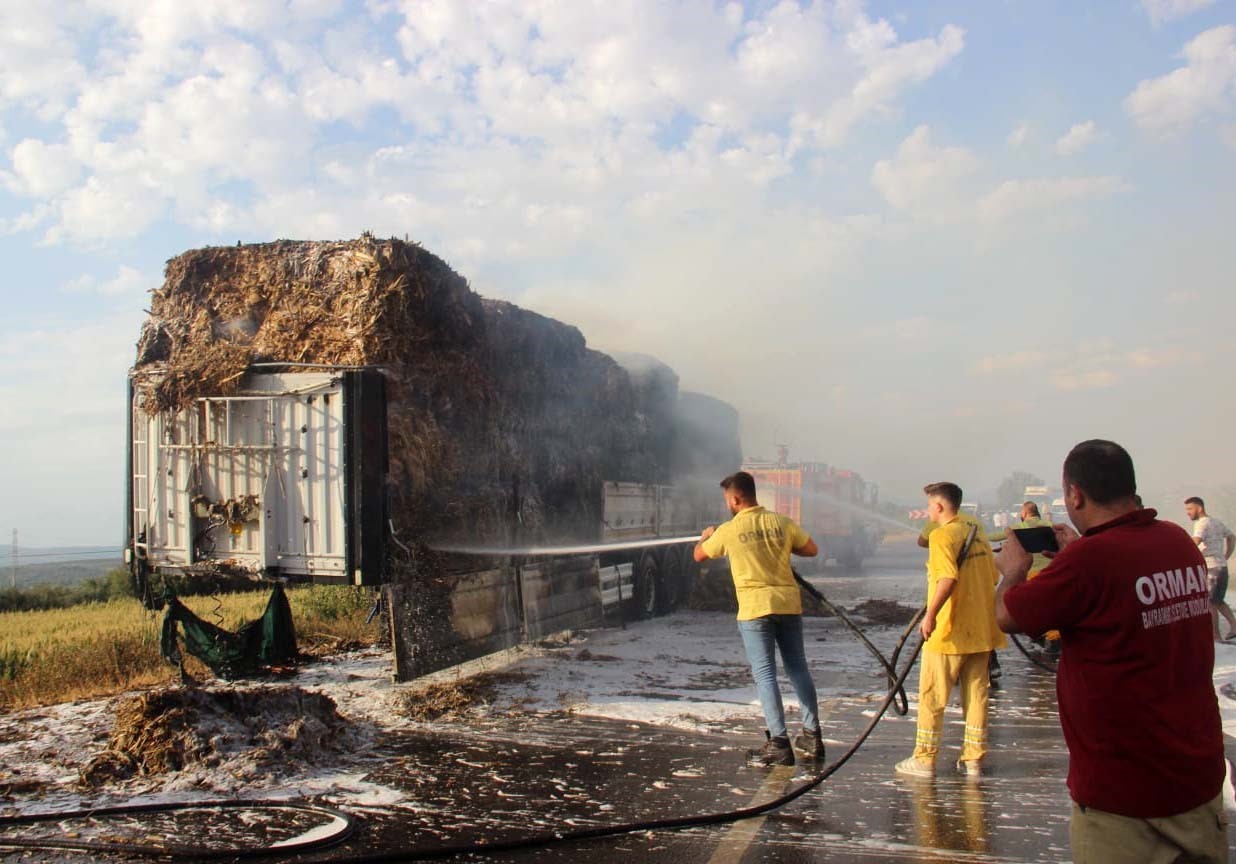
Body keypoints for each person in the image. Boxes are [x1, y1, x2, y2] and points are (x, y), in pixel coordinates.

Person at [995, 440, 1226, 864]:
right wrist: (1078, 551)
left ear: (1075, 494)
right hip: (1197, 779)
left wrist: (1012, 572)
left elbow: (1007, 616)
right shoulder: (1176, 541)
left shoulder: (1088, 561)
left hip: (1123, 798)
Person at [694, 471, 824, 767]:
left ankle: (779, 742)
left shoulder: (728, 530)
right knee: (798, 669)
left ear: (735, 499)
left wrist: (705, 537)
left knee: (766, 675)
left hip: (755, 610)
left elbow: (699, 556)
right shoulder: (781, 522)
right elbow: (811, 549)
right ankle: (812, 735)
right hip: (788, 604)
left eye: (728, 500)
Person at [896, 482, 1006, 779]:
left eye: (930, 505)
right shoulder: (976, 530)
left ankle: (925, 759)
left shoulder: (942, 535)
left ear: (940, 507)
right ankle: (973, 759)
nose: (929, 511)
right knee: (977, 695)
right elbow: (993, 574)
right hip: (982, 627)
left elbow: (947, 577)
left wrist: (929, 615)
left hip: (949, 629)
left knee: (933, 695)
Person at [1185, 496, 1236, 641]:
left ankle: (1216, 636)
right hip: (1222, 566)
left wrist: (1182, 555)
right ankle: (1234, 625)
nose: (1188, 513)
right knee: (1218, 600)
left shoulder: (1201, 524)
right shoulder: (1216, 522)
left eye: (1190, 509)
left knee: (1210, 602)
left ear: (1199, 508)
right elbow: (1232, 537)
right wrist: (1225, 555)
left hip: (1212, 568)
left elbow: (1194, 542)